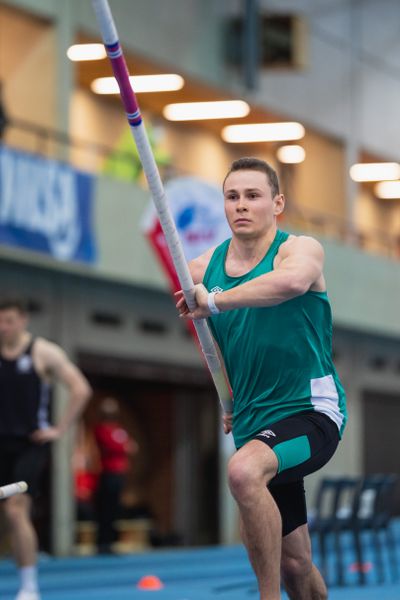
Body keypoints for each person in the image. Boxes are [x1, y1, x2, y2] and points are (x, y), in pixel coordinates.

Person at [175, 157, 347, 600]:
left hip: (310, 414)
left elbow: (289, 284)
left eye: (253, 196)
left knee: (244, 472)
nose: (241, 205)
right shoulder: (201, 269)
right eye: (232, 197)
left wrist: (214, 301)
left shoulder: (299, 250)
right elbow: (217, 343)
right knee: (296, 564)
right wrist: (228, 398)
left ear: (277, 203)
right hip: (254, 422)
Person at [0, 298, 92, 600]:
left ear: (23, 320)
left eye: (9, 321)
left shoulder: (43, 352)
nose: (3, 327)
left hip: (30, 444)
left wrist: (60, 429)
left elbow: (81, 389)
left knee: (15, 510)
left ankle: (29, 587)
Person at [94, 397, 138, 554]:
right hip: (108, 472)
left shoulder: (119, 428)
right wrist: (124, 447)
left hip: (120, 473)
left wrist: (124, 447)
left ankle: (111, 540)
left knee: (114, 508)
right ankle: (103, 542)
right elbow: (115, 447)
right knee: (105, 508)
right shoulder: (101, 429)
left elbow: (131, 446)